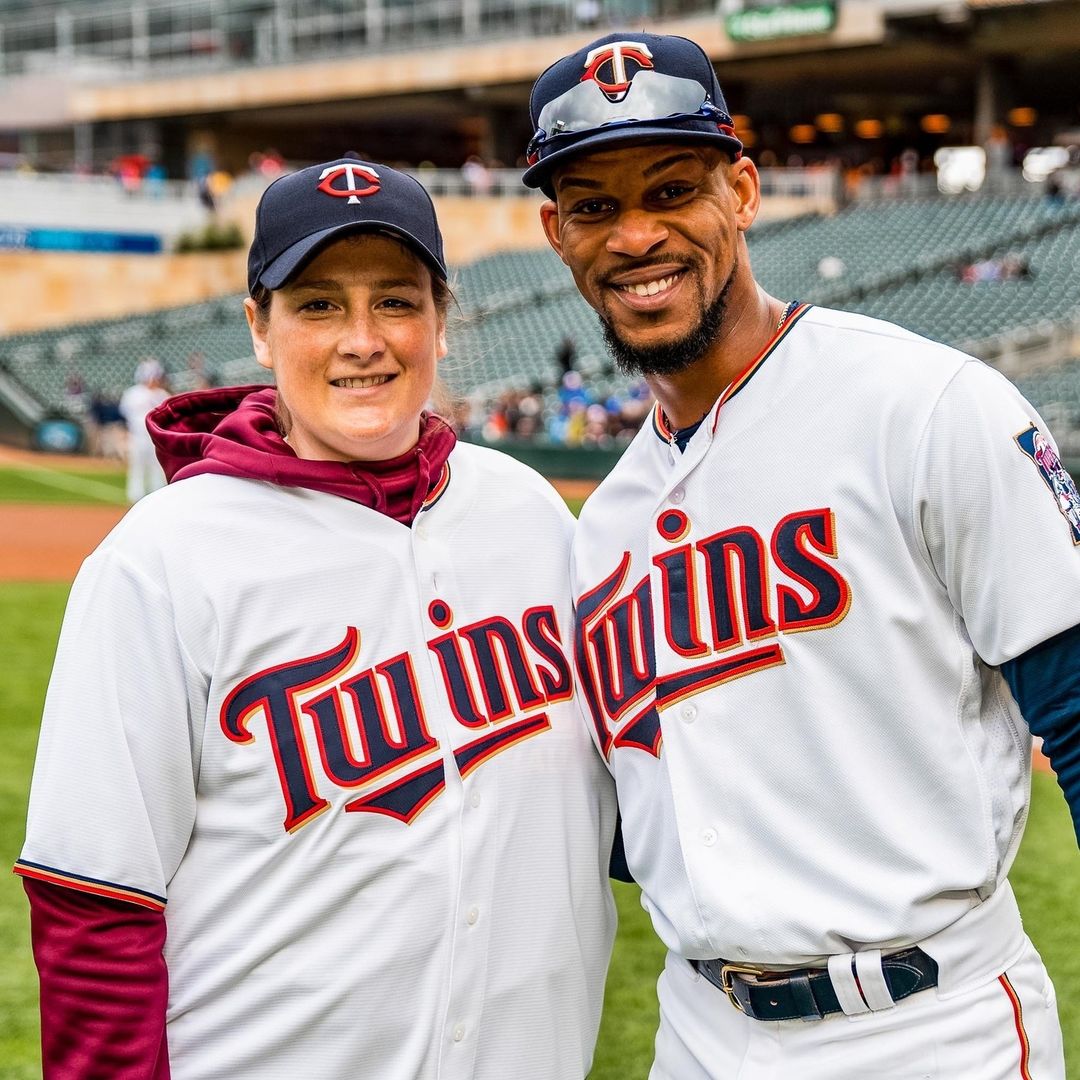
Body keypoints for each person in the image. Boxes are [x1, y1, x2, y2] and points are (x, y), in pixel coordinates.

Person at [522, 31, 1080, 1080]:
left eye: (672, 187)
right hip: (698, 1029)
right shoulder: (605, 527)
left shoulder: (924, 408)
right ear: (557, 234)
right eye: (594, 205)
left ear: (741, 189)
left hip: (929, 1026)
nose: (636, 234)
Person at [16, 157, 617, 1079]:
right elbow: (94, 896)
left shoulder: (526, 513)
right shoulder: (164, 557)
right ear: (259, 327)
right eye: (319, 304)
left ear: (443, 322)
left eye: (396, 301)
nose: (362, 340)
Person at [119, 357, 169, 500]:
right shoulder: (132, 393)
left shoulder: (162, 395)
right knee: (137, 466)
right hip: (137, 436)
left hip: (155, 438)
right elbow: (125, 414)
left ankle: (157, 495)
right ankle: (135, 496)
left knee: (157, 467)